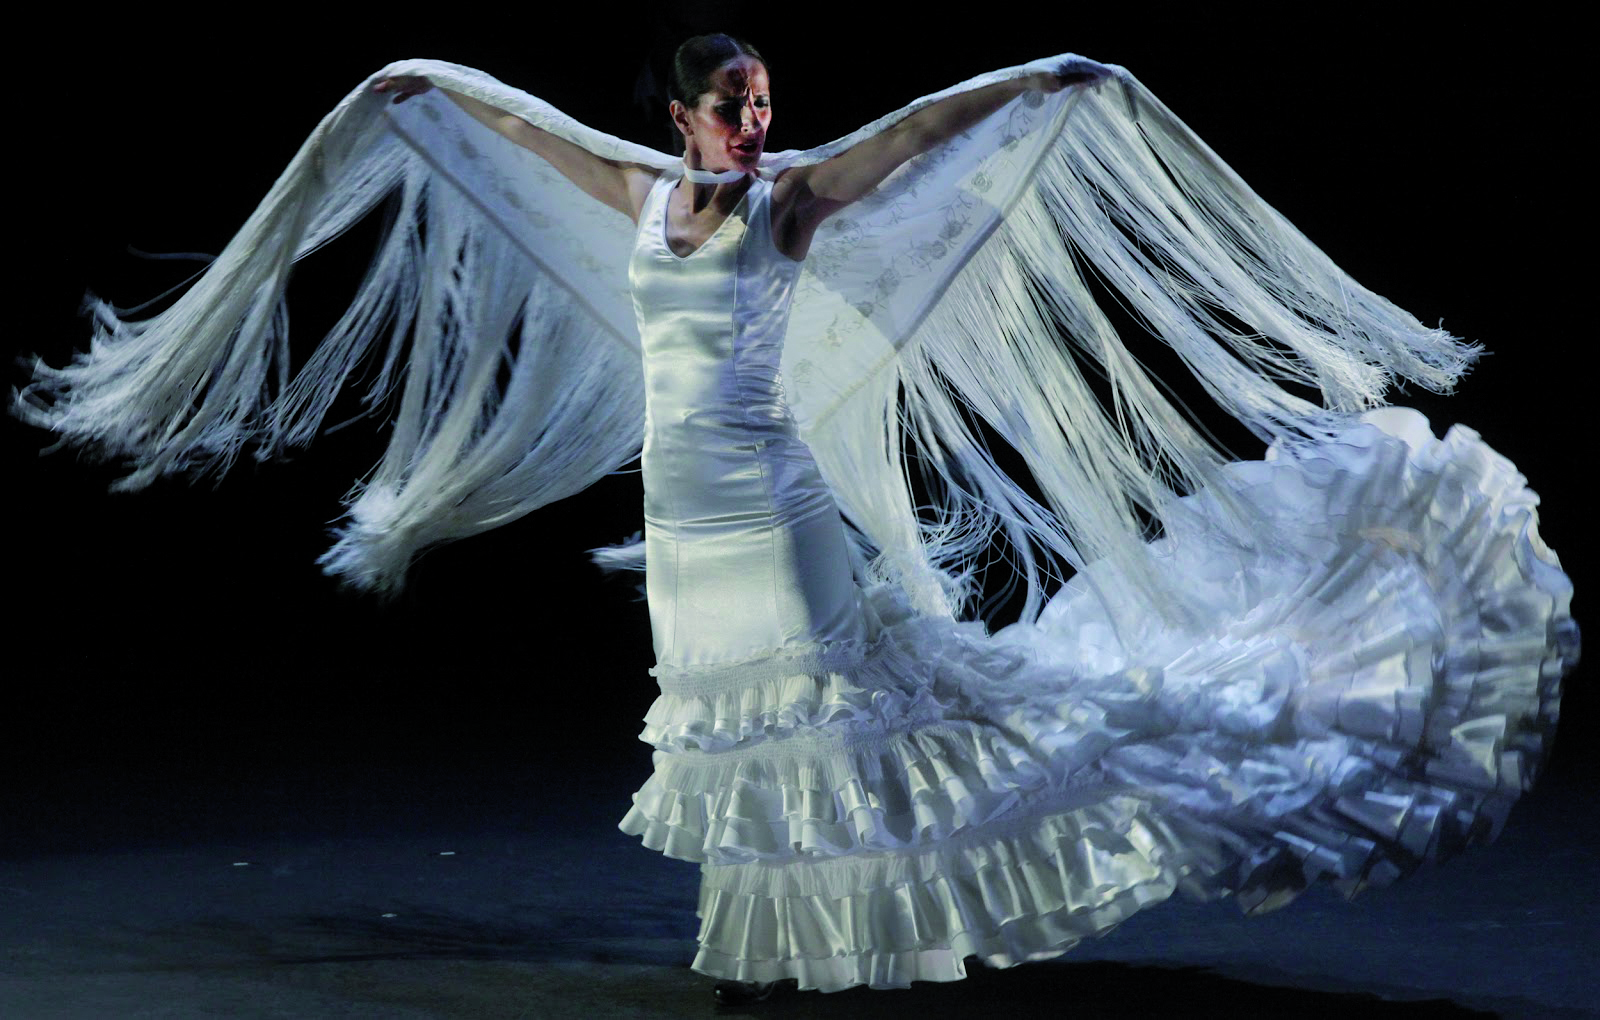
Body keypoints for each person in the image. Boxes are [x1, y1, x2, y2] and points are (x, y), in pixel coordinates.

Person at [18, 33, 1577, 1005]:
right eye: (739, 106)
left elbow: (914, 136)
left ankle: (804, 955)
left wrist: (1035, 81)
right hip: (683, 522)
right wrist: (425, 84)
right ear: (688, 114)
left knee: (838, 722)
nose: (762, 123)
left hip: (772, 503)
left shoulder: (794, 201)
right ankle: (764, 952)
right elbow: (524, 135)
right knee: (729, 734)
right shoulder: (638, 193)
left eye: (769, 104)